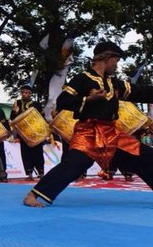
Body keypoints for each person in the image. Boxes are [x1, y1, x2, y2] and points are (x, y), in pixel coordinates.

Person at [23, 41, 153, 207]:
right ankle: (33, 195)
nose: (117, 65)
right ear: (107, 58)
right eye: (116, 60)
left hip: (111, 133)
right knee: (74, 165)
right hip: (88, 133)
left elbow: (142, 92)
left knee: (144, 156)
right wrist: (88, 99)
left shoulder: (114, 83)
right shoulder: (82, 79)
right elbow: (63, 101)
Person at [10, 85, 45, 180]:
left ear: (30, 94)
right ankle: (29, 173)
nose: (24, 94)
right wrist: (15, 112)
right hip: (23, 132)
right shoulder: (17, 103)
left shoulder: (36, 104)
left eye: (26, 92)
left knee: (38, 151)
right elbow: (12, 118)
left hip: (35, 132)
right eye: (23, 92)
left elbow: (42, 118)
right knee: (25, 152)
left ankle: (41, 172)